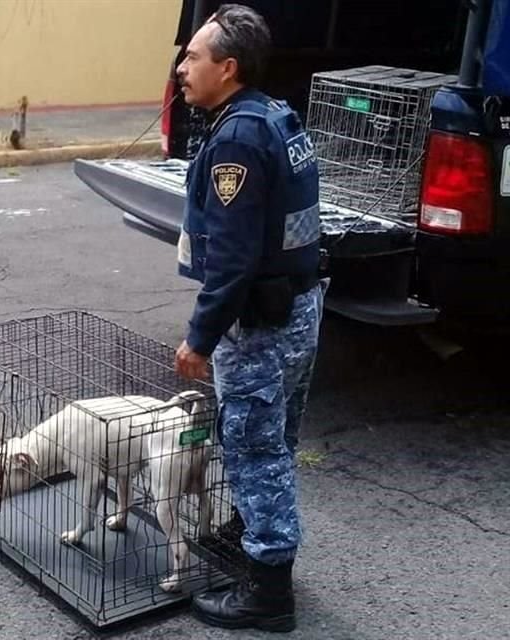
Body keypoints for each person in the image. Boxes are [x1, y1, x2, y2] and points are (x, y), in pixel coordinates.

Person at [172, 4, 325, 633]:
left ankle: (267, 592)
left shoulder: (237, 136)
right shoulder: (273, 115)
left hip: (261, 323)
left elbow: (232, 262)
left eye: (193, 57)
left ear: (227, 68)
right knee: (273, 439)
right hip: (298, 306)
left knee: (254, 449)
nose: (182, 68)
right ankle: (248, 533)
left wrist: (199, 338)